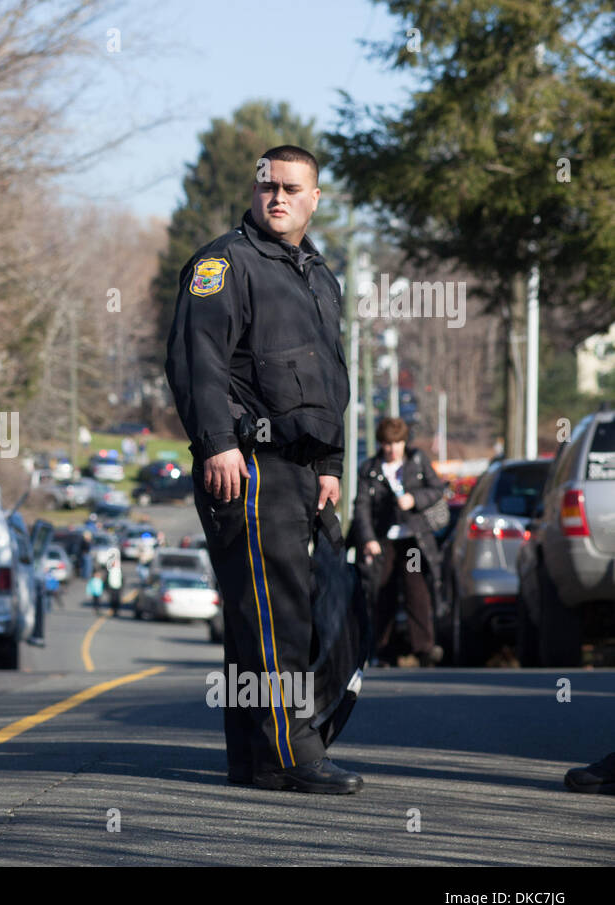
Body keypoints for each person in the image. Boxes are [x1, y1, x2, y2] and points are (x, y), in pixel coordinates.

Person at [165, 145, 362, 794]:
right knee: (278, 613)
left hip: (302, 467)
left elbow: (329, 378)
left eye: (291, 187)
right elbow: (198, 361)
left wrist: (330, 463)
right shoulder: (225, 264)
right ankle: (291, 755)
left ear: (314, 198)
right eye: (267, 186)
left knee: (266, 613)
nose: (277, 196)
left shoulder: (317, 274)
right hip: (247, 464)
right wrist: (218, 442)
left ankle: (256, 758)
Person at [352, 418, 447, 667]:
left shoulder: (417, 461)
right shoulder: (369, 469)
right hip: (384, 542)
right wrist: (368, 538)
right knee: (383, 594)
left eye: (397, 442)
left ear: (404, 442)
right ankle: (384, 652)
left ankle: (424, 649)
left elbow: (437, 489)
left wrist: (414, 499)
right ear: (381, 444)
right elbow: (361, 507)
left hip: (412, 542)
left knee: (417, 592)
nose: (392, 448)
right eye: (387, 443)